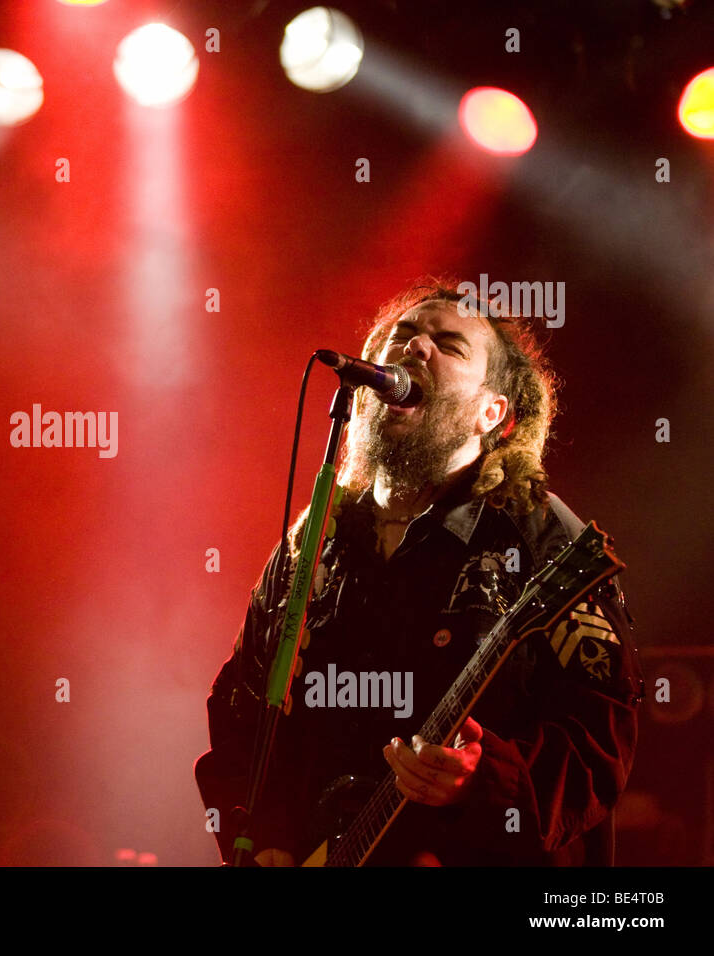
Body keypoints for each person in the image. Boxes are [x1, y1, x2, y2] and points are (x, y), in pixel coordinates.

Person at [194, 282, 644, 866]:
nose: (415, 349)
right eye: (402, 336)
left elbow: (599, 731)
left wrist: (487, 782)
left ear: (492, 413)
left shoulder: (539, 537)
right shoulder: (314, 544)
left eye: (449, 345)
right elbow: (241, 706)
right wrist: (266, 834)